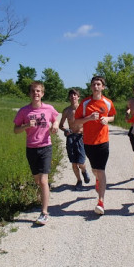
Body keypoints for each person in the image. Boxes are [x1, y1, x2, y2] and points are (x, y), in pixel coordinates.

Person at [13, 81, 59, 225]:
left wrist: (55, 126)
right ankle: (43, 195)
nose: (36, 93)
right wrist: (26, 125)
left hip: (46, 147)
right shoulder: (24, 111)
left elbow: (55, 118)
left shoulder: (49, 108)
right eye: (33, 91)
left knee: (44, 180)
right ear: (29, 93)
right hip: (31, 148)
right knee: (37, 181)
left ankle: (44, 212)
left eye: (38, 91)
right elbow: (15, 130)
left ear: (42, 93)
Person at [74, 76, 116, 215]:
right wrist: (89, 118)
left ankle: (101, 201)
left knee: (101, 170)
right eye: (94, 84)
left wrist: (107, 119)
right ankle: (96, 179)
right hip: (88, 142)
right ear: (91, 87)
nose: (96, 87)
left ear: (103, 87)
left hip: (103, 141)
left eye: (98, 84)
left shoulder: (108, 103)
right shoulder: (85, 103)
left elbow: (112, 116)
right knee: (95, 170)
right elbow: (77, 122)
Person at [58, 89, 91, 190]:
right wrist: (65, 130)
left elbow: (89, 123)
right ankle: (79, 181)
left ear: (78, 97)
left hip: (81, 137)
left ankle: (84, 171)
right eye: (71, 96)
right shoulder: (66, 111)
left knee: (81, 162)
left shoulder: (83, 109)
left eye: (75, 95)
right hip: (71, 138)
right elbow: (60, 125)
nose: (73, 97)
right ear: (69, 98)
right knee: (73, 162)